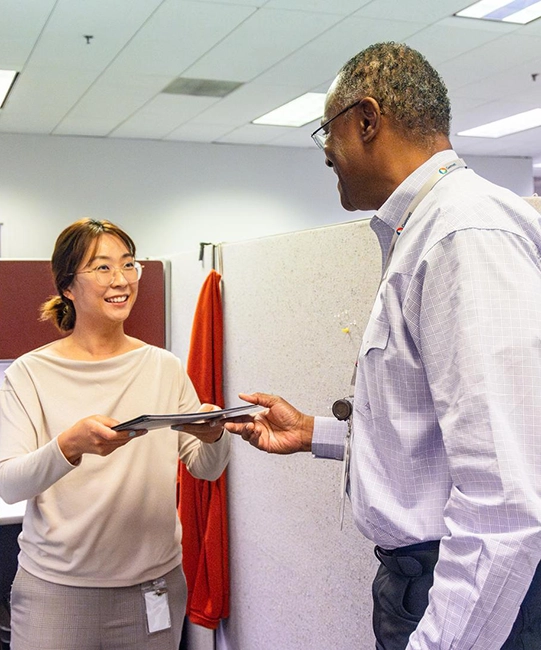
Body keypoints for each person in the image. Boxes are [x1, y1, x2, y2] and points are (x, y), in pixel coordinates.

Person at [224, 42, 541, 649]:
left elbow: (504, 501)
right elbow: (436, 438)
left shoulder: (463, 234)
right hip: (418, 580)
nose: (325, 153)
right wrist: (316, 433)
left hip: (454, 593)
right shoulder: (426, 228)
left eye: (328, 130)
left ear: (367, 120)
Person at [0, 218, 230, 650]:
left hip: (154, 587)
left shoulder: (163, 365)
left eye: (128, 265)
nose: (121, 279)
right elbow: (9, 483)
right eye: (102, 268)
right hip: (57, 592)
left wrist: (213, 434)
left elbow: (205, 469)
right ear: (68, 285)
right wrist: (70, 446)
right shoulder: (31, 373)